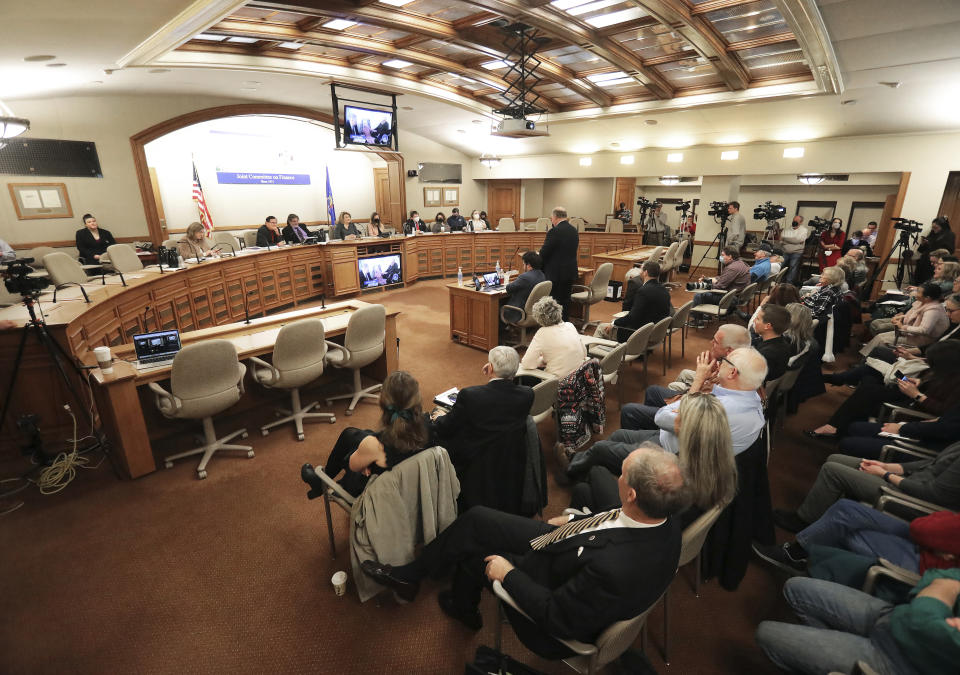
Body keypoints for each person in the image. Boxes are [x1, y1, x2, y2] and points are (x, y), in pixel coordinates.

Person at [359, 445, 688, 651]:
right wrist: (575, 520)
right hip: (571, 543)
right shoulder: (664, 517)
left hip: (551, 587)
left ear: (632, 494)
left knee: (477, 556)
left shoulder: (614, 569)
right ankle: (412, 575)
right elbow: (615, 523)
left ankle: (463, 608)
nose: (617, 475)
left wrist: (510, 573)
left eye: (623, 473)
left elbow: (556, 617)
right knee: (477, 520)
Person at [568, 347, 767, 478]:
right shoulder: (752, 400)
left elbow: (662, 417)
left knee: (600, 448)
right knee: (619, 435)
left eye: (724, 361)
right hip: (679, 442)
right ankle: (598, 467)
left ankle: (571, 470)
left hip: (675, 460)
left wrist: (698, 380)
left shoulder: (721, 409)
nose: (719, 363)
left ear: (733, 373)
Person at [756, 573, 960, 675]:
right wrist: (940, 589)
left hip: (895, 662)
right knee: (795, 587)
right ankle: (833, 650)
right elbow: (943, 574)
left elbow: (923, 622)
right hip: (892, 617)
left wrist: (939, 592)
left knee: (765, 633)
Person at [570, 395, 737, 520]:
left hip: (643, 524)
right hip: (665, 522)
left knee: (596, 470)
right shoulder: (721, 462)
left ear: (689, 430)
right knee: (582, 490)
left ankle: (572, 472)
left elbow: (648, 506)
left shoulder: (678, 474)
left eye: (679, 416)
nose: (675, 419)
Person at [772, 440, 960, 533]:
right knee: (835, 459)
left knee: (832, 470)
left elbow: (931, 494)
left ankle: (804, 521)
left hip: (911, 499)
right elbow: (930, 464)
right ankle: (820, 516)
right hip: (908, 480)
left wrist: (886, 474)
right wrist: (885, 466)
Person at [300, 371, 433, 498]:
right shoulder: (429, 425)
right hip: (411, 484)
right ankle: (320, 483)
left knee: (352, 450)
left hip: (374, 493)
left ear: (383, 404)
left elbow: (353, 465)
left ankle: (322, 482)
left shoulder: (374, 444)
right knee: (350, 434)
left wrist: (366, 460)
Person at [431, 346, 533, 508]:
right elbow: (498, 399)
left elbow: (446, 428)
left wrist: (439, 418)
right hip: (510, 455)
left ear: (490, 367)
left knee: (437, 422)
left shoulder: (470, 395)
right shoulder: (527, 394)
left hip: (474, 456)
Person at [754, 498, 960, 576]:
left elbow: (923, 528)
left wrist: (942, 527)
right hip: (929, 543)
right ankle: (800, 553)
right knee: (847, 510)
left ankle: (801, 557)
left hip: (929, 568)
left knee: (850, 532)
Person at [810, 341, 960, 440]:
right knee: (871, 373)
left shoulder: (955, 383)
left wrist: (917, 395)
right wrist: (919, 382)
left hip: (914, 404)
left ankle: (835, 424)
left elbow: (946, 411)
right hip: (913, 392)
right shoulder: (944, 373)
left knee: (869, 387)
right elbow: (931, 381)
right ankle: (838, 423)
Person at [643, 324, 752, 406]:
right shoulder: (739, 362)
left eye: (715, 342)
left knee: (650, 394)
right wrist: (713, 373)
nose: (711, 343)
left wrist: (701, 378)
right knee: (682, 375)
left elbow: (691, 409)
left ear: (729, 350)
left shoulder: (730, 378)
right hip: (701, 399)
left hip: (691, 413)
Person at [861, 281, 948, 356]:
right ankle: (866, 358)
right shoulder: (922, 302)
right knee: (880, 336)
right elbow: (910, 316)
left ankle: (868, 360)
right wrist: (900, 318)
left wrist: (902, 327)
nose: (915, 294)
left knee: (881, 340)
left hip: (921, 340)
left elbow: (924, 330)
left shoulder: (933, 311)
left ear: (927, 298)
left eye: (918, 292)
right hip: (908, 333)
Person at [593, 260, 670, 342]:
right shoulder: (664, 290)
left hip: (637, 334)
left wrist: (614, 323)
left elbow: (632, 317)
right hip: (655, 333)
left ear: (645, 272)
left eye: (641, 270)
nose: (640, 272)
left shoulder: (643, 291)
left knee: (601, 328)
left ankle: (591, 353)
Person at [518, 297, 586, 380]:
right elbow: (584, 353)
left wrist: (541, 360)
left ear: (539, 318)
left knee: (521, 377)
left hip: (558, 384)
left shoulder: (542, 332)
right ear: (559, 310)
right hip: (578, 379)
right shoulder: (570, 325)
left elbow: (526, 364)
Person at [539, 206, 579, 321]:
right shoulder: (573, 230)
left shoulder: (554, 231)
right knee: (566, 300)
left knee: (554, 302)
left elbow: (544, 252)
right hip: (570, 272)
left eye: (551, 218)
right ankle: (565, 323)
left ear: (555, 217)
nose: (551, 220)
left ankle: (554, 324)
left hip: (556, 273)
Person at [753, 304, 792, 382]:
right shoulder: (781, 341)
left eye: (757, 319)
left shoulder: (766, 354)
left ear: (767, 326)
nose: (754, 321)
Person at [503, 250, 545, 321]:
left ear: (528, 265)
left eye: (523, 264)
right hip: (535, 311)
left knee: (498, 306)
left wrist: (513, 282)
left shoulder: (525, 277)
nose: (523, 267)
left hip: (519, 312)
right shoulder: (542, 275)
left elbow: (508, 288)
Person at [916, 216, 956, 283]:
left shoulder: (950, 235)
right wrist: (923, 244)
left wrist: (931, 244)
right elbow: (920, 250)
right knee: (919, 282)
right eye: (933, 227)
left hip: (936, 264)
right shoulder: (932, 233)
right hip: (924, 262)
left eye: (936, 228)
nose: (933, 229)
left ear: (943, 227)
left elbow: (949, 251)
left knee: (929, 283)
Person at [781, 215, 810, 285]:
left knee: (793, 268)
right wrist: (794, 240)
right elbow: (781, 239)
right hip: (785, 251)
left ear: (801, 222)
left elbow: (799, 240)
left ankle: (789, 284)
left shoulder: (804, 230)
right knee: (780, 266)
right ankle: (778, 281)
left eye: (796, 221)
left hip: (797, 252)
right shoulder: (787, 229)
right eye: (794, 220)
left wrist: (787, 240)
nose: (794, 222)